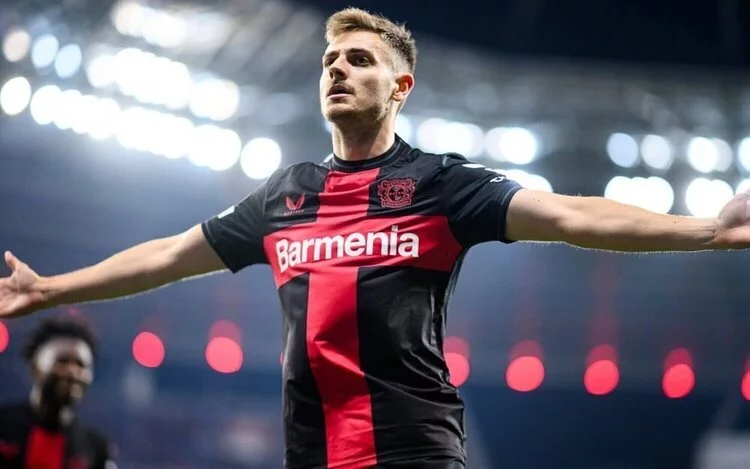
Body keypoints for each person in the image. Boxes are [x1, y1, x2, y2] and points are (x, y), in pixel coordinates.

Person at [0, 6, 746, 469]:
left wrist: (708, 229)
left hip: (414, 450)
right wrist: (49, 288)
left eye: (359, 60)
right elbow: (167, 255)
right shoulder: (284, 196)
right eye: (330, 61)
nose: (338, 70)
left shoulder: (441, 184)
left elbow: (571, 215)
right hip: (311, 453)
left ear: (400, 87)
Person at [0, 317, 115, 469]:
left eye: (81, 365)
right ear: (35, 367)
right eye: (62, 361)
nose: (72, 372)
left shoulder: (96, 448)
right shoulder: (3, 425)